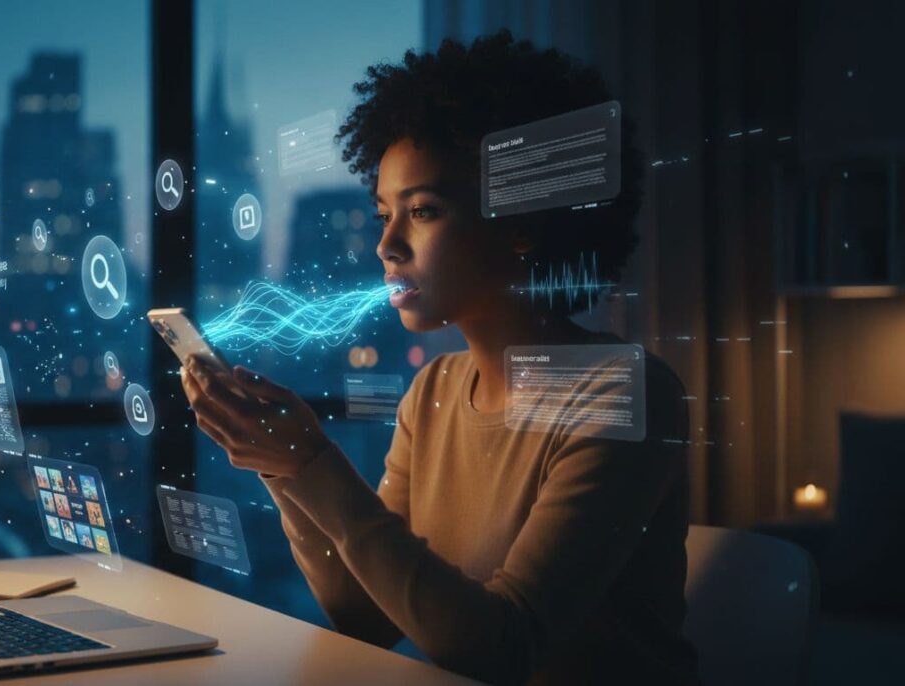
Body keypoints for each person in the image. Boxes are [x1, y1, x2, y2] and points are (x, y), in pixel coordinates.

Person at [181, 30, 697, 685]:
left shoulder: (623, 394)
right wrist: (282, 468)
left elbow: (503, 648)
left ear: (521, 224)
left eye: (422, 210)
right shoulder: (434, 391)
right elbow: (368, 618)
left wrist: (314, 462)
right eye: (383, 215)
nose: (387, 246)